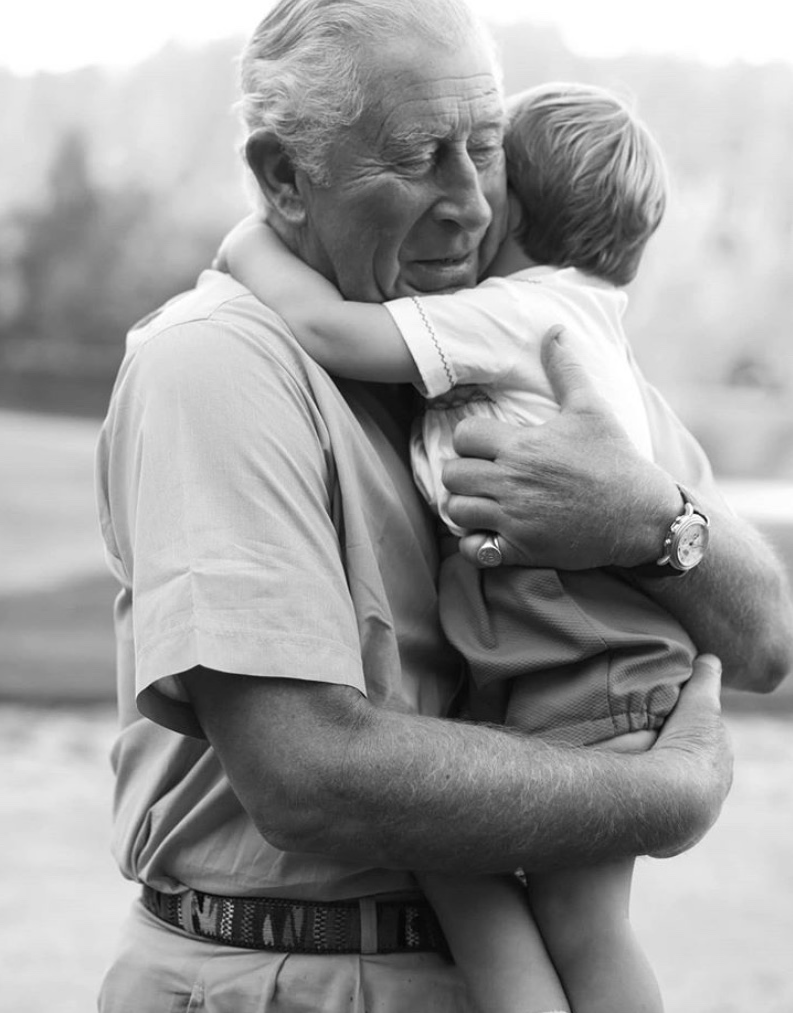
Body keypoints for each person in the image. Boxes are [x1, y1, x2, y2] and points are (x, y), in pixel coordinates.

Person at [95, 2, 793, 1011]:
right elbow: (309, 776)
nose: (469, 201)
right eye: (419, 156)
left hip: (486, 968)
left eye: (484, 146)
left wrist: (648, 518)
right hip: (281, 976)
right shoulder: (217, 364)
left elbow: (765, 640)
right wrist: (663, 792)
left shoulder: (537, 344)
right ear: (285, 176)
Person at [217, 80, 691, 1013]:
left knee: (558, 915)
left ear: (508, 209)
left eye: (482, 166)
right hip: (577, 655)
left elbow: (329, 331)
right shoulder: (587, 315)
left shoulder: (522, 310)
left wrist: (247, 244)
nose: (462, 201)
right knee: (515, 900)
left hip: (583, 658)